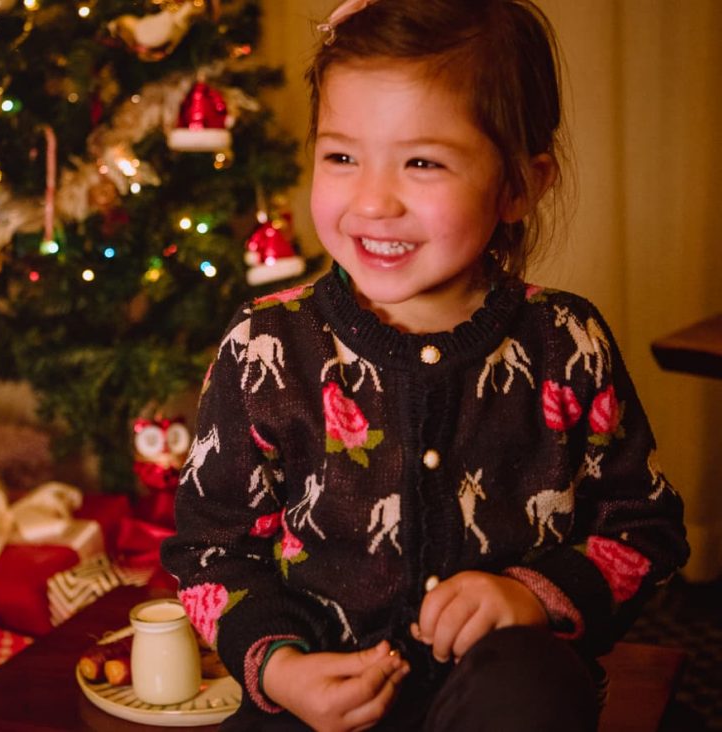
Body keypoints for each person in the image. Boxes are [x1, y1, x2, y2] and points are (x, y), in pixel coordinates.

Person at [160, 0, 689, 729]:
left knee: (536, 685)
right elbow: (209, 547)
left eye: (422, 162)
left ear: (520, 185)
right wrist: (283, 672)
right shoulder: (267, 347)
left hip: (498, 699)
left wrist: (531, 597)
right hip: (313, 706)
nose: (374, 201)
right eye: (341, 156)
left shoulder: (566, 341)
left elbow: (645, 530)